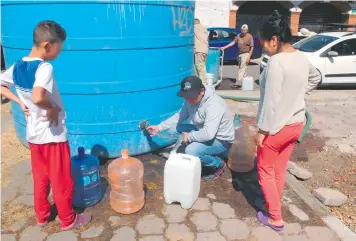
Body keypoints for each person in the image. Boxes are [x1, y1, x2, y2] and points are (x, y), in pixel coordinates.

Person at [0, 20, 92, 230]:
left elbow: (2, 84)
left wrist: (19, 101)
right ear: (47, 46)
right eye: (59, 48)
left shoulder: (18, 65)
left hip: (34, 135)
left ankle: (42, 216)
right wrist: (52, 109)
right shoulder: (44, 67)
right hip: (52, 135)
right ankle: (68, 220)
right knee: (61, 180)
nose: (59, 53)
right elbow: (38, 95)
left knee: (41, 178)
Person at [255, 10, 321, 231]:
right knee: (279, 170)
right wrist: (299, 95)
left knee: (265, 169)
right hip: (296, 125)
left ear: (274, 39)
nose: (263, 47)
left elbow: (271, 103)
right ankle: (273, 203)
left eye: (263, 42)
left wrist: (261, 131)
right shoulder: (300, 56)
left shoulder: (277, 63)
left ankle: (275, 217)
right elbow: (316, 76)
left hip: (277, 128)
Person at [147, 76, 234, 180]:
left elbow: (208, 134)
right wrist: (159, 127)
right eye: (186, 96)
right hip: (201, 130)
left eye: (191, 97)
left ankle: (217, 164)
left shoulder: (214, 105)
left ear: (202, 91)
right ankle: (197, 151)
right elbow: (180, 116)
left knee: (191, 150)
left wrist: (189, 137)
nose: (188, 99)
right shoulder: (190, 98)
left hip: (220, 139)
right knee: (173, 130)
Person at [221, 24, 254, 89]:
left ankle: (238, 83)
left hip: (246, 54)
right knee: (243, 69)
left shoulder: (250, 37)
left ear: (247, 30)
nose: (243, 31)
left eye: (244, 30)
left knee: (241, 69)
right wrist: (224, 47)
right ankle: (244, 84)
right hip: (240, 54)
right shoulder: (239, 36)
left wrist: (249, 57)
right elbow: (233, 42)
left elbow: (252, 48)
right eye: (242, 30)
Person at [194, 19, 209, 84]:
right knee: (203, 66)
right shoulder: (204, 28)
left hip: (199, 50)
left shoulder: (194, 27)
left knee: (199, 67)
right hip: (205, 50)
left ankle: (203, 83)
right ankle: (203, 81)